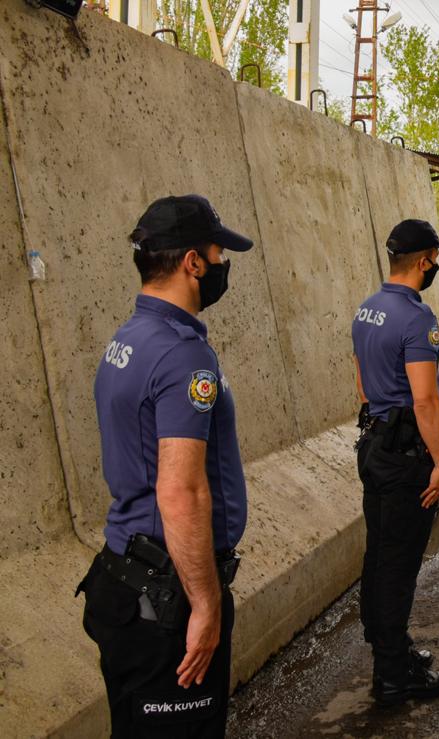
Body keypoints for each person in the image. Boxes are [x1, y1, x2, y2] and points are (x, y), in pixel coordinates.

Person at [78, 195, 251, 736]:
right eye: (220, 253)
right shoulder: (183, 354)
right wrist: (204, 604)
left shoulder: (129, 339)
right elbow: (180, 491)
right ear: (193, 263)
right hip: (165, 599)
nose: (224, 266)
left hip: (125, 578)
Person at [352, 218, 439, 706]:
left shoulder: (366, 310)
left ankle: (392, 650)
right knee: (398, 564)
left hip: (374, 442)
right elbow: (426, 399)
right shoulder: (416, 318)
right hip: (405, 451)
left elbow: (362, 384)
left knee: (379, 556)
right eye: (436, 259)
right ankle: (393, 676)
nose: (436, 266)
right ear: (422, 262)